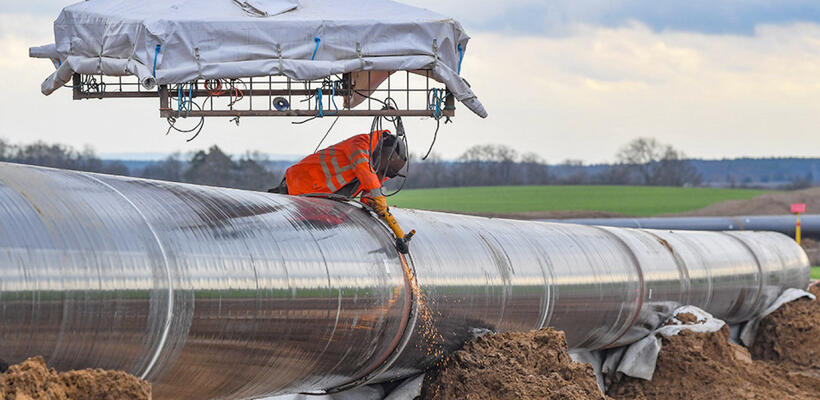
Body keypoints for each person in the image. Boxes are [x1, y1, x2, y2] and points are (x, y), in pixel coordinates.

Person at [271, 130, 411, 244]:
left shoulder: (375, 167)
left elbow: (368, 194)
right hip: (298, 187)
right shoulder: (361, 143)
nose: (380, 176)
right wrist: (378, 195)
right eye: (381, 172)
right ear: (383, 156)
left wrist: (377, 206)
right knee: (277, 233)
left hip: (315, 204)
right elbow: (363, 167)